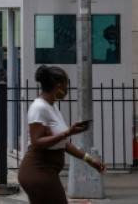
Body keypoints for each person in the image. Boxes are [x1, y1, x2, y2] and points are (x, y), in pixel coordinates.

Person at [18, 65, 106, 203]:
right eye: (66, 86)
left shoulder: (51, 107)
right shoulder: (39, 107)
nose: (67, 90)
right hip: (39, 170)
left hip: (45, 170)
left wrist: (90, 160)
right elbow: (37, 142)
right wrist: (67, 132)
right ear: (58, 86)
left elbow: (63, 144)